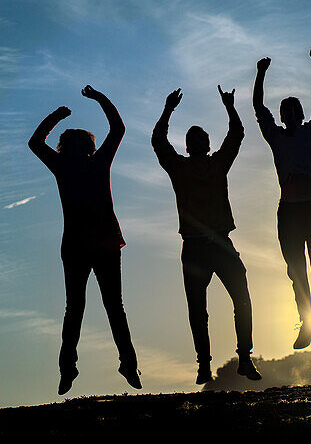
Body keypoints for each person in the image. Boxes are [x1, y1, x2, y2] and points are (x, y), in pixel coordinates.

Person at [29, 85, 140, 395]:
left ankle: (129, 365)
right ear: (65, 149)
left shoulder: (99, 163)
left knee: (114, 307)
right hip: (77, 248)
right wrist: (55, 117)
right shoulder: (61, 167)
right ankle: (68, 370)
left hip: (105, 245)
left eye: (82, 143)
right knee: (75, 309)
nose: (78, 148)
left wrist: (99, 97)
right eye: (72, 143)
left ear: (89, 149)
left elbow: (118, 128)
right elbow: (36, 143)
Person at [152, 85, 262, 385]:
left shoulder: (217, 164)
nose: (199, 142)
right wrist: (167, 110)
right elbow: (158, 142)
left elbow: (236, 135)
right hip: (195, 247)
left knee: (241, 299)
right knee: (198, 311)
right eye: (194, 140)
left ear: (208, 144)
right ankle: (203, 364)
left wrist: (230, 106)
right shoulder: (180, 168)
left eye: (202, 138)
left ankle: (244, 358)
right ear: (188, 146)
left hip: (221, 244)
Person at [253, 47, 311, 351]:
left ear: (300, 114)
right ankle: (307, 323)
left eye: (294, 111)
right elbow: (258, 108)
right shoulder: (276, 137)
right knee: (296, 272)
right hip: (289, 211)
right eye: (284, 112)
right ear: (281, 116)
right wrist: (261, 73)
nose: (289, 115)